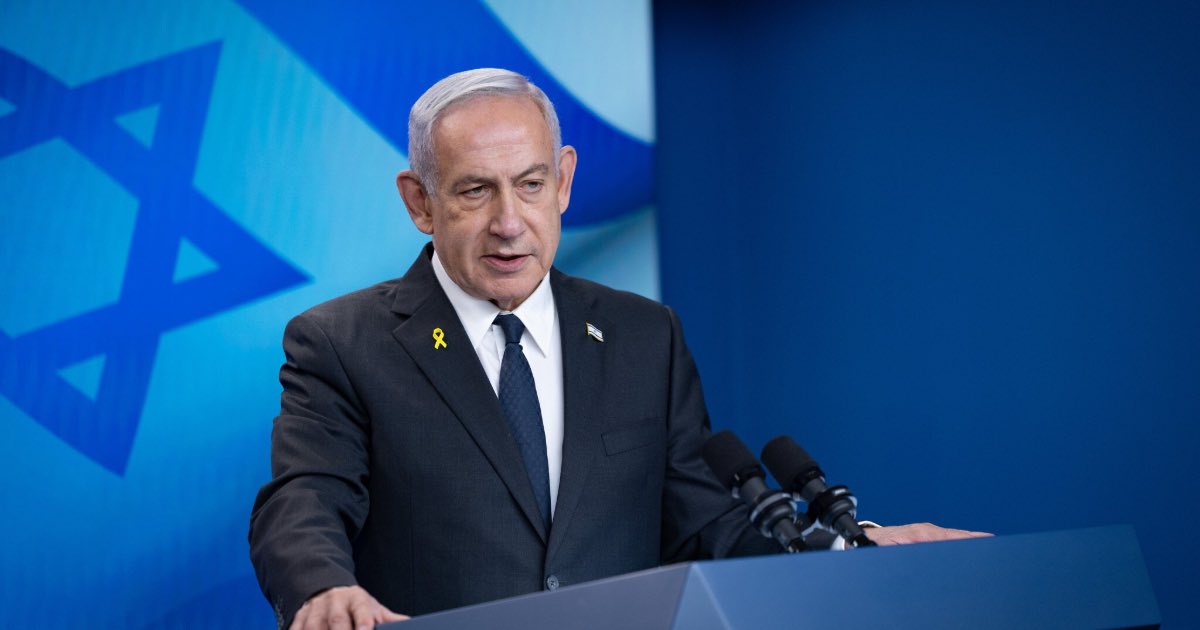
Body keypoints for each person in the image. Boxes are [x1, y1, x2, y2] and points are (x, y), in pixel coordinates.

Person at [249, 68, 987, 630]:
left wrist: (848, 561)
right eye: (476, 192)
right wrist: (321, 588)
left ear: (564, 180)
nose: (510, 222)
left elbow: (708, 528)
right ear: (419, 201)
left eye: (531, 184)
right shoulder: (344, 343)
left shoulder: (644, 335)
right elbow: (305, 496)